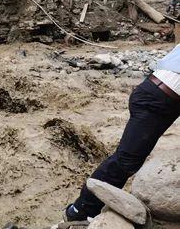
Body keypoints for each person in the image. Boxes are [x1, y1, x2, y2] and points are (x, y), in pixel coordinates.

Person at [63, 44, 180, 223]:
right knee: (126, 161)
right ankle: (79, 211)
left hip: (164, 99)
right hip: (155, 100)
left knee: (128, 160)